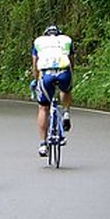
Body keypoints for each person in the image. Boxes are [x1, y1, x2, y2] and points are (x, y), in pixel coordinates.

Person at [31, 24, 74, 157]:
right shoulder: (66, 40)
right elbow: (72, 61)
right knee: (66, 90)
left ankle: (43, 144)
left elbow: (35, 64)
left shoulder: (39, 41)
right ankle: (66, 113)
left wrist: (36, 80)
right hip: (64, 71)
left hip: (46, 74)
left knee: (43, 107)